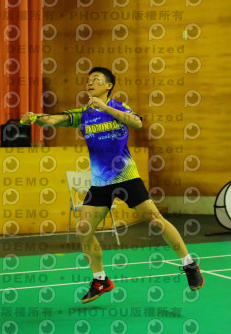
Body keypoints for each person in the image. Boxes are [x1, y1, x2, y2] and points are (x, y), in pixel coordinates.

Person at [22, 66, 204, 304]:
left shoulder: (118, 107)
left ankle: (189, 265)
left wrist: (106, 108)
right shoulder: (84, 114)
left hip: (126, 176)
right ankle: (100, 280)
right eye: (88, 80)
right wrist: (35, 118)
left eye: (96, 79)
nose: (90, 83)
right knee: (84, 229)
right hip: (101, 182)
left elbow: (137, 123)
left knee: (155, 219)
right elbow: (56, 119)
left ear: (108, 86)